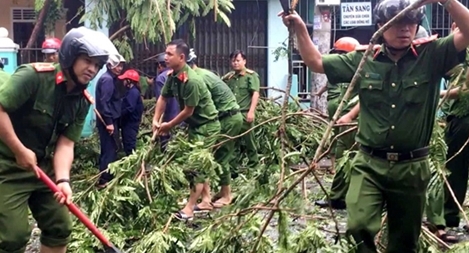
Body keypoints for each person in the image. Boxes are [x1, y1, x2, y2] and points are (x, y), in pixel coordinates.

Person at [280, 0, 469, 251]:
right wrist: (301, 29)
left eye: (411, 23)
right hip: (369, 164)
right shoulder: (364, 59)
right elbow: (315, 62)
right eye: (398, 22)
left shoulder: (432, 55)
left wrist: (448, 1)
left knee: (403, 243)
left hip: (411, 168)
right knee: (358, 226)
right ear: (381, 26)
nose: (405, 29)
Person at [0, 26, 112, 253]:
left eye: (97, 66)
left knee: (60, 226)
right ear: (70, 56)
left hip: (43, 168)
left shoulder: (82, 101)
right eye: (87, 61)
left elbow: (66, 143)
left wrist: (63, 181)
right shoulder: (33, 77)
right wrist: (19, 149)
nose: (92, 69)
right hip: (7, 168)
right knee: (12, 237)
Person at [152, 39, 220, 221]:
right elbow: (163, 99)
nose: (165, 57)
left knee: (196, 167)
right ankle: (206, 200)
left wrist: (168, 126)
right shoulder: (172, 76)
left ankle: (189, 209)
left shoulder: (192, 81)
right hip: (195, 125)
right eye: (165, 53)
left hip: (207, 126)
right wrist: (155, 119)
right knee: (199, 164)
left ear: (181, 57)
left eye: (169, 54)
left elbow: (187, 111)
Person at [425, 21, 469, 243]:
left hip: (463, 117)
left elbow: (463, 89)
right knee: (454, 169)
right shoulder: (457, 52)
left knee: (455, 169)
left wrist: (439, 95)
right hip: (459, 118)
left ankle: (449, 217)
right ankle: (449, 218)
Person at [187, 49, 243, 209]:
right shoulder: (199, 75)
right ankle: (209, 196)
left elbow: (201, 107)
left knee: (217, 157)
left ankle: (225, 195)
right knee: (209, 156)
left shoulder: (198, 78)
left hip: (228, 118)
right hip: (224, 116)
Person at [314, 37, 360, 210]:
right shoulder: (340, 71)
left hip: (356, 121)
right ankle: (338, 198)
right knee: (343, 156)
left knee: (355, 158)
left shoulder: (360, 68)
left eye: (341, 54)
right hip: (345, 120)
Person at [222, 50, 260, 170]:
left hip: (245, 114)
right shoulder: (229, 78)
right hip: (232, 115)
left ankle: (254, 167)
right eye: (233, 61)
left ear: (244, 61)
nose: (235, 63)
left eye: (238, 60)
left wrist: (251, 111)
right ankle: (232, 170)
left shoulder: (251, 76)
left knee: (250, 141)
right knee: (232, 142)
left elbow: (255, 93)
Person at [95, 53, 126, 189]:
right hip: (108, 121)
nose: (120, 68)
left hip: (111, 120)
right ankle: (105, 179)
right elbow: (104, 102)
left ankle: (105, 176)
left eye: (121, 66)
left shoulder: (110, 79)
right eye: (117, 65)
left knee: (109, 148)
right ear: (110, 65)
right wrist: (109, 122)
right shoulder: (107, 80)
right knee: (109, 149)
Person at [153, 52, 181, 149]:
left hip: (168, 122)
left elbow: (161, 103)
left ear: (160, 65)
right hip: (182, 120)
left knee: (166, 150)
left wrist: (156, 122)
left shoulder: (161, 78)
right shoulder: (181, 74)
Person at [118, 69, 144, 155]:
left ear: (129, 81)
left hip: (130, 124)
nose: (123, 82)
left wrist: (119, 114)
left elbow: (130, 108)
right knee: (127, 145)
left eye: (124, 80)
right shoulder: (132, 91)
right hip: (129, 124)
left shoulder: (133, 92)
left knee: (129, 147)